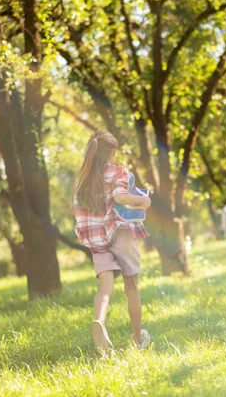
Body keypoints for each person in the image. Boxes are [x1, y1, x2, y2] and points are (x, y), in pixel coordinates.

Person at [73, 131, 151, 352]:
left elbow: (78, 211)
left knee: (105, 287)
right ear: (113, 152)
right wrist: (143, 200)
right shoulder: (117, 171)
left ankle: (99, 321)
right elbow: (120, 197)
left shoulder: (82, 177)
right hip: (120, 234)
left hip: (96, 240)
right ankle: (137, 338)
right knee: (131, 286)